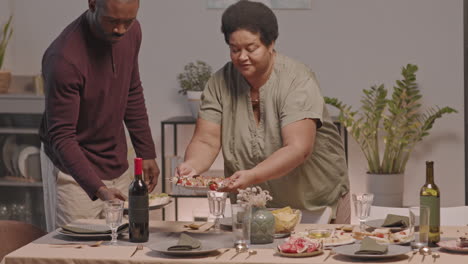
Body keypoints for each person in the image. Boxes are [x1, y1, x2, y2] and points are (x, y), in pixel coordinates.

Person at [176, 0, 350, 223]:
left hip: (316, 202)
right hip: (256, 204)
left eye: (251, 48)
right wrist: (192, 166)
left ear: (271, 44)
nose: (242, 57)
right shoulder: (220, 83)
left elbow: (298, 148)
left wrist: (253, 175)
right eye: (234, 49)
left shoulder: (297, 80)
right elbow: (206, 141)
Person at [39, 0, 159, 231]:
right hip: (73, 172)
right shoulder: (63, 59)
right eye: (112, 21)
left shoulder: (132, 33)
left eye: (128, 21)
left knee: (126, 244)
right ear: (92, 4)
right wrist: (98, 188)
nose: (121, 30)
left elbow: (131, 91)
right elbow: (62, 137)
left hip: (117, 162)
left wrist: (146, 151)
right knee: (79, 252)